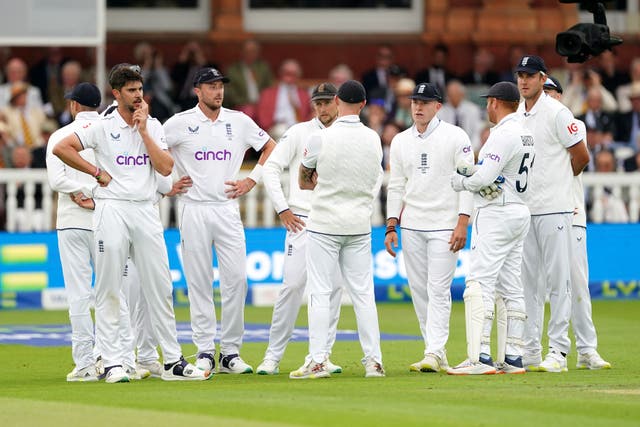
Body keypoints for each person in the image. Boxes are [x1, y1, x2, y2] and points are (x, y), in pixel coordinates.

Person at [53, 67, 211, 383]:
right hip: (112, 209)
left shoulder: (152, 125)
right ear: (116, 93)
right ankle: (112, 362)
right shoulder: (102, 126)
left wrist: (143, 133)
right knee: (109, 287)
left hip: (145, 210)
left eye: (139, 89)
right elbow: (62, 148)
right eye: (130, 90)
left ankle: (173, 361)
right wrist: (96, 174)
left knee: (160, 286)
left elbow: (166, 168)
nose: (138, 95)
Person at [163, 67, 276, 375]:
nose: (218, 91)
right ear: (197, 90)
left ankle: (230, 352)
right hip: (193, 208)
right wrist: (168, 184)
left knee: (236, 280)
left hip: (227, 208)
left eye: (220, 85)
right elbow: (154, 150)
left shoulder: (238, 121)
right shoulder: (180, 123)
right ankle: (204, 350)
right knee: (199, 282)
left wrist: (251, 180)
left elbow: (270, 147)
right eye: (211, 86)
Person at [290, 80, 385, 379]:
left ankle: (317, 361)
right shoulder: (374, 139)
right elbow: (374, 179)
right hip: (358, 224)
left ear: (338, 102)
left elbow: (303, 181)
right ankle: (374, 362)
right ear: (363, 105)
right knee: (363, 294)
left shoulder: (321, 138)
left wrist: (323, 181)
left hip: (325, 223)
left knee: (320, 292)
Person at [384, 82, 474, 373]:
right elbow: (396, 186)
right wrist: (391, 225)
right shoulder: (399, 141)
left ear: (438, 106)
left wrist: (463, 221)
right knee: (420, 290)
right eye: (414, 102)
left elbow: (467, 181)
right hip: (412, 225)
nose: (418, 107)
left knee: (438, 288)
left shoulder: (455, 136)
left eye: (424, 102)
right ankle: (435, 350)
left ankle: (434, 351)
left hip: (445, 224)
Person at [256, 83, 343, 376]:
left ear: (337, 103)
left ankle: (322, 355)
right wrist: (283, 208)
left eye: (326, 103)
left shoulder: (348, 134)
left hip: (335, 221)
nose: (322, 109)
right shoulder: (298, 132)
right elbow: (271, 167)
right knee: (292, 287)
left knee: (332, 290)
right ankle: (272, 356)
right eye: (317, 103)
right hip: (302, 219)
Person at [447, 81, 534, 375]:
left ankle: (479, 358)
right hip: (520, 209)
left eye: (488, 102)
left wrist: (460, 180)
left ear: (496, 102)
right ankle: (513, 356)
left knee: (479, 283)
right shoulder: (526, 133)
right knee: (511, 285)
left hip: (497, 213)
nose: (487, 107)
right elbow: (499, 176)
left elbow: (484, 177)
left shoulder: (502, 134)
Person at [515, 55, 590, 373]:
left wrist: (560, 183)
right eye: (520, 75)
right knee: (529, 284)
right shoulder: (518, 114)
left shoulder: (558, 113)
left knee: (560, 282)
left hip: (556, 209)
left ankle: (558, 351)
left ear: (542, 78)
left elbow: (582, 155)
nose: (523, 81)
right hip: (526, 210)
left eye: (530, 76)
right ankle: (531, 349)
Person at [543, 76, 611, 369]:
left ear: (560, 95)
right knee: (538, 287)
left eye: (550, 92)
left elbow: (578, 161)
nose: (545, 98)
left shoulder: (572, 123)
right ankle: (536, 350)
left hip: (570, 214)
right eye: (542, 92)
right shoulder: (526, 125)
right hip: (538, 215)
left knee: (577, 282)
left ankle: (586, 349)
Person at [256, 59, 311, 141]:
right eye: (287, 73)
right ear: (281, 73)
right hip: (277, 128)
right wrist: (268, 128)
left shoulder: (304, 94)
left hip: (297, 128)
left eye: (293, 74)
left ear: (298, 76)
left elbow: (309, 115)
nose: (289, 77)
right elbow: (262, 115)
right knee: (282, 134)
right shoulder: (268, 93)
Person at [224, 39, 273, 119]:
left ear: (257, 53)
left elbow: (269, 88)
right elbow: (231, 92)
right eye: (247, 51)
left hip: (262, 105)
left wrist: (263, 103)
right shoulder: (233, 70)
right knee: (249, 111)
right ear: (242, 52)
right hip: (242, 105)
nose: (250, 54)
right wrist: (245, 103)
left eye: (253, 51)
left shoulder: (263, 68)